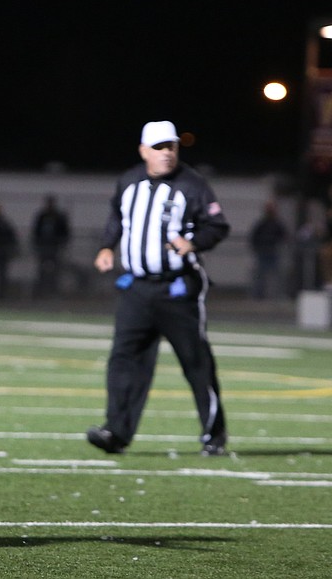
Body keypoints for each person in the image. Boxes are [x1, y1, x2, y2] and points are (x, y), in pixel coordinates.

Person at [86, 120, 232, 457]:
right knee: (123, 360)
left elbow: (218, 225)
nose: (167, 154)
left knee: (196, 362)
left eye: (172, 147)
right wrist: (107, 247)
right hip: (136, 289)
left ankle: (214, 434)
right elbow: (116, 218)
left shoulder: (193, 184)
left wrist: (193, 242)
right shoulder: (129, 181)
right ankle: (116, 432)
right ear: (143, 151)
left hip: (178, 290)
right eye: (159, 147)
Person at [31, 194, 71, 296]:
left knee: (55, 270)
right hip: (43, 247)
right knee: (42, 270)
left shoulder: (59, 217)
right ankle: (41, 290)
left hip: (55, 248)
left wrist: (61, 243)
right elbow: (36, 231)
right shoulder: (42, 216)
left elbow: (65, 232)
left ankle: (53, 290)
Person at [247, 199, 288, 299]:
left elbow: (284, 236)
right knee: (260, 276)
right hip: (263, 253)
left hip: (273, 252)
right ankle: (258, 296)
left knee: (276, 276)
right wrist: (257, 247)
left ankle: (277, 295)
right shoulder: (262, 224)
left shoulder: (277, 224)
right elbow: (253, 237)